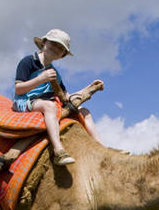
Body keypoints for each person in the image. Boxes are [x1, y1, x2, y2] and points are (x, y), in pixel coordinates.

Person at [13, 29, 104, 166]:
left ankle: (101, 148)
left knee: (84, 111)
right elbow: (19, 89)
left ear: (62, 55)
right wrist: (41, 79)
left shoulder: (55, 73)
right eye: (54, 44)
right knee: (49, 106)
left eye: (61, 48)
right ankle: (59, 150)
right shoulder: (28, 62)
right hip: (26, 100)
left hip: (48, 101)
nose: (56, 49)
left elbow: (66, 97)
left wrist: (89, 88)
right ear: (44, 43)